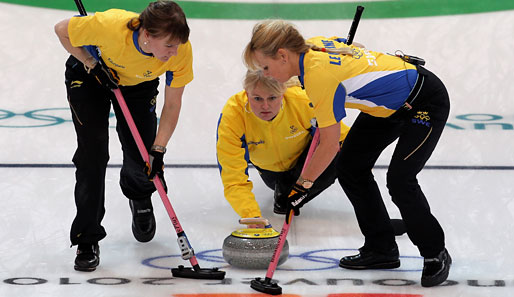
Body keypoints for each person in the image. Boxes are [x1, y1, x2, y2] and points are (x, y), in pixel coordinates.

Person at [243, 19, 451, 287]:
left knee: (401, 181)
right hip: (385, 106)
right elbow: (351, 46)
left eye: (266, 67)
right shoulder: (312, 46)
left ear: (283, 56)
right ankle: (381, 247)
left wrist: (302, 186)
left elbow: (329, 144)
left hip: (423, 101)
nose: (266, 74)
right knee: (351, 168)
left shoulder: (318, 76)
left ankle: (435, 252)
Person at [54, 1, 192, 272]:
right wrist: (91, 63)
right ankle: (87, 237)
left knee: (144, 156)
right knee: (91, 156)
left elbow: (173, 104)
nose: (175, 52)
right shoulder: (109, 27)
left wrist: (159, 150)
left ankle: (139, 194)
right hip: (91, 74)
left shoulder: (180, 50)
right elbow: (61, 30)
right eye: (169, 46)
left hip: (138, 84)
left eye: (177, 46)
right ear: (147, 35)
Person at [216, 70, 350, 227]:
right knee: (285, 194)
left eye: (272, 98)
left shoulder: (302, 101)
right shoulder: (233, 114)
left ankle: (289, 191)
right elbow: (233, 176)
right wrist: (251, 215)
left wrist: (306, 182)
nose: (265, 106)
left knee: (343, 154)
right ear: (247, 93)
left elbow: (343, 139)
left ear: (283, 92)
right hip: (272, 174)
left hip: (306, 162)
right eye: (257, 98)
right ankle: (284, 191)